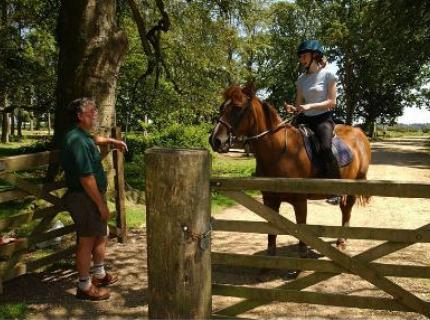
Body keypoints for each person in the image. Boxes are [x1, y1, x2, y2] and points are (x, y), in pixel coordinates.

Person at [61, 98, 127, 300]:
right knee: (87, 241)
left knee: (101, 234)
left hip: (90, 196)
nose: (95, 115)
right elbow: (86, 178)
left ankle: (98, 275)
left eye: (96, 111)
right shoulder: (77, 140)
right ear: (80, 116)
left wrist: (111, 141)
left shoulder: (81, 136)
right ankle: (84, 286)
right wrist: (100, 205)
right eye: (91, 113)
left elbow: (93, 140)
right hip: (85, 198)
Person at [284, 39, 341, 205]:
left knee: (325, 147)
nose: (301, 59)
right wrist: (292, 109)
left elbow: (332, 102)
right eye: (300, 56)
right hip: (304, 119)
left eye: (304, 56)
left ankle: (336, 189)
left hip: (323, 119)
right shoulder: (301, 80)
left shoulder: (328, 75)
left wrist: (311, 105)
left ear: (315, 56)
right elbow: (299, 104)